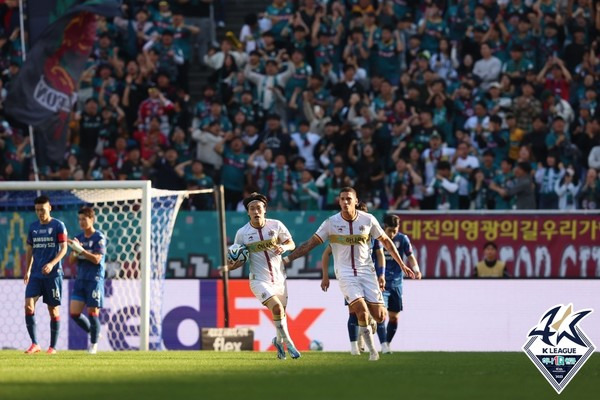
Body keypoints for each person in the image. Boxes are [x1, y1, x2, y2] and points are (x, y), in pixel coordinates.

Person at [284, 187, 415, 361]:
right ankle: (372, 352)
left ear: (355, 200)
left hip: (367, 273)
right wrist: (287, 260)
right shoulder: (331, 223)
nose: (345, 202)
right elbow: (309, 244)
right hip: (345, 274)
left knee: (380, 315)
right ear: (339, 201)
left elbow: (387, 243)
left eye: (349, 199)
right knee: (360, 311)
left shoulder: (368, 220)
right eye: (342, 199)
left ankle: (371, 323)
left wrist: (402, 264)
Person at [227, 192, 301, 359]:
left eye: (258, 208)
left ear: (264, 209)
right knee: (276, 307)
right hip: (259, 280)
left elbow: (291, 243)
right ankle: (288, 342)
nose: (255, 211)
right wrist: (232, 265)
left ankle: (277, 342)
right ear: (248, 212)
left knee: (280, 313)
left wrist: (284, 247)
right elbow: (237, 259)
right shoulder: (242, 233)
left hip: (280, 279)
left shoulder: (276, 225)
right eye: (252, 208)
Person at [320, 202, 385, 356]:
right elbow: (326, 253)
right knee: (354, 312)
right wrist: (325, 276)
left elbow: (380, 256)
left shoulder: (374, 237)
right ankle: (355, 347)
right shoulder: (344, 236)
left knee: (378, 315)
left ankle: (369, 324)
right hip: (349, 277)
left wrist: (381, 275)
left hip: (368, 277)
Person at [24, 196, 68, 354]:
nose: (40, 213)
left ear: (50, 208)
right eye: (37, 210)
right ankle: (35, 343)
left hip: (53, 275)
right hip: (36, 275)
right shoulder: (33, 227)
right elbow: (29, 250)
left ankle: (53, 347)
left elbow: (64, 248)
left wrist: (51, 264)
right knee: (28, 306)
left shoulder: (58, 225)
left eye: (42, 210)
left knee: (53, 310)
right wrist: (28, 270)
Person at [372, 214, 421, 354]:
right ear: (384, 227)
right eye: (390, 231)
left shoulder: (403, 239)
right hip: (381, 282)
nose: (392, 234)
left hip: (397, 283)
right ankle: (383, 345)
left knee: (394, 316)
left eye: (395, 230)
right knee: (381, 314)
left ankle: (387, 343)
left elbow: (410, 256)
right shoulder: (377, 239)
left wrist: (416, 270)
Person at [68, 207, 107, 354]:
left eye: (84, 219)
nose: (81, 222)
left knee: (92, 313)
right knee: (74, 313)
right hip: (81, 279)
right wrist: (75, 250)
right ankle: (94, 331)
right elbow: (71, 260)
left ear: (92, 219)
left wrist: (82, 251)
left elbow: (97, 259)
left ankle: (94, 345)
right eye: (79, 219)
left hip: (94, 280)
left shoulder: (99, 238)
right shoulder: (79, 238)